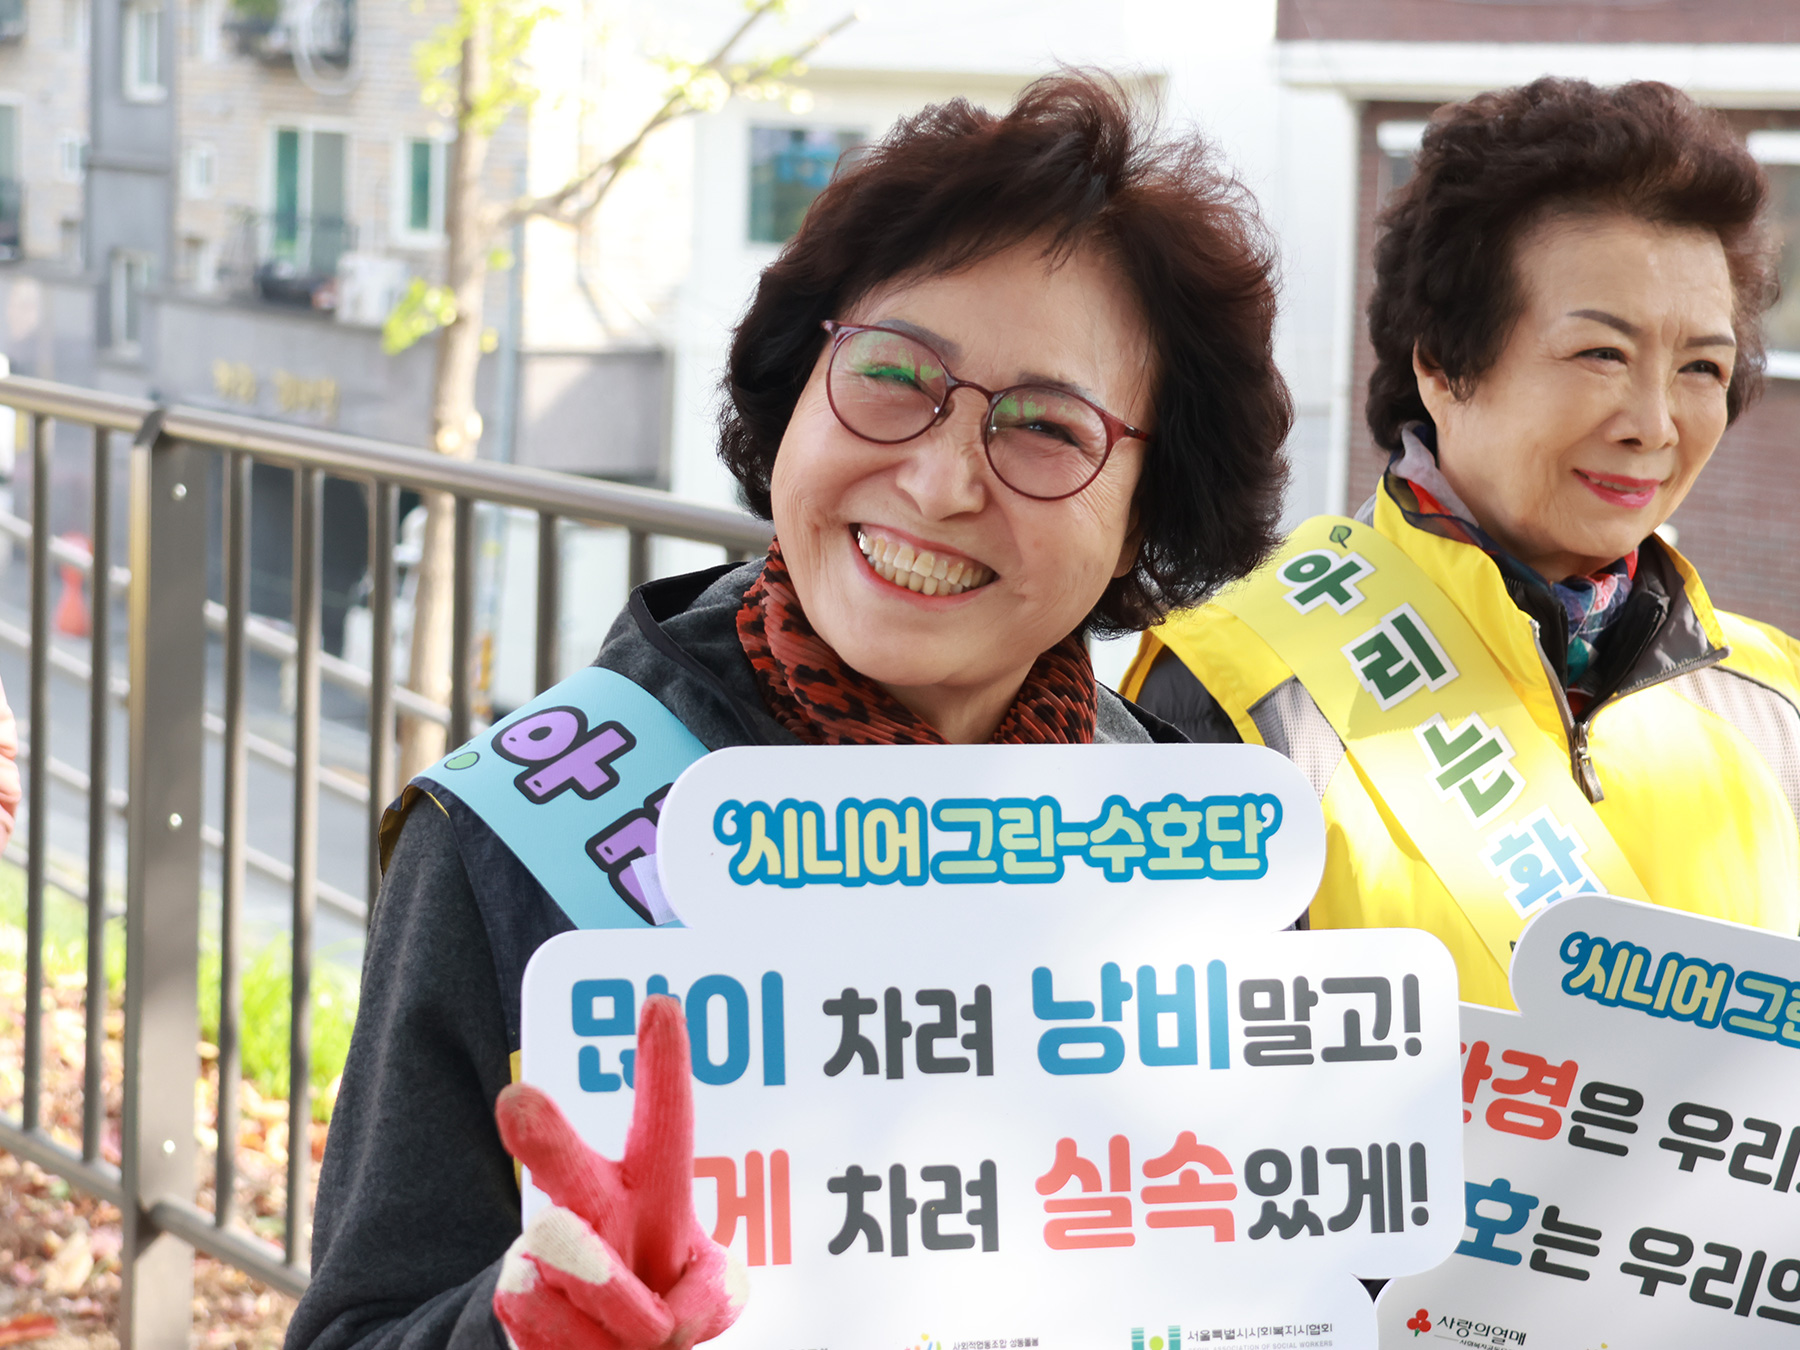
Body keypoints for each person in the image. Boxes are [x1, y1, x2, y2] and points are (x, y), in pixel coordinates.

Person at [286, 73, 1292, 1350]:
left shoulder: (1191, 841)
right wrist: (533, 1322)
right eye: (892, 374)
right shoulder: (519, 837)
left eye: (1048, 428)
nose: (938, 482)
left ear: (1145, 515)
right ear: (798, 390)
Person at [1129, 77, 1800, 1011]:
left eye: (1701, 367)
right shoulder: (1247, 688)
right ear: (1441, 364)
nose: (1654, 424)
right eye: (1601, 353)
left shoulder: (1774, 707)